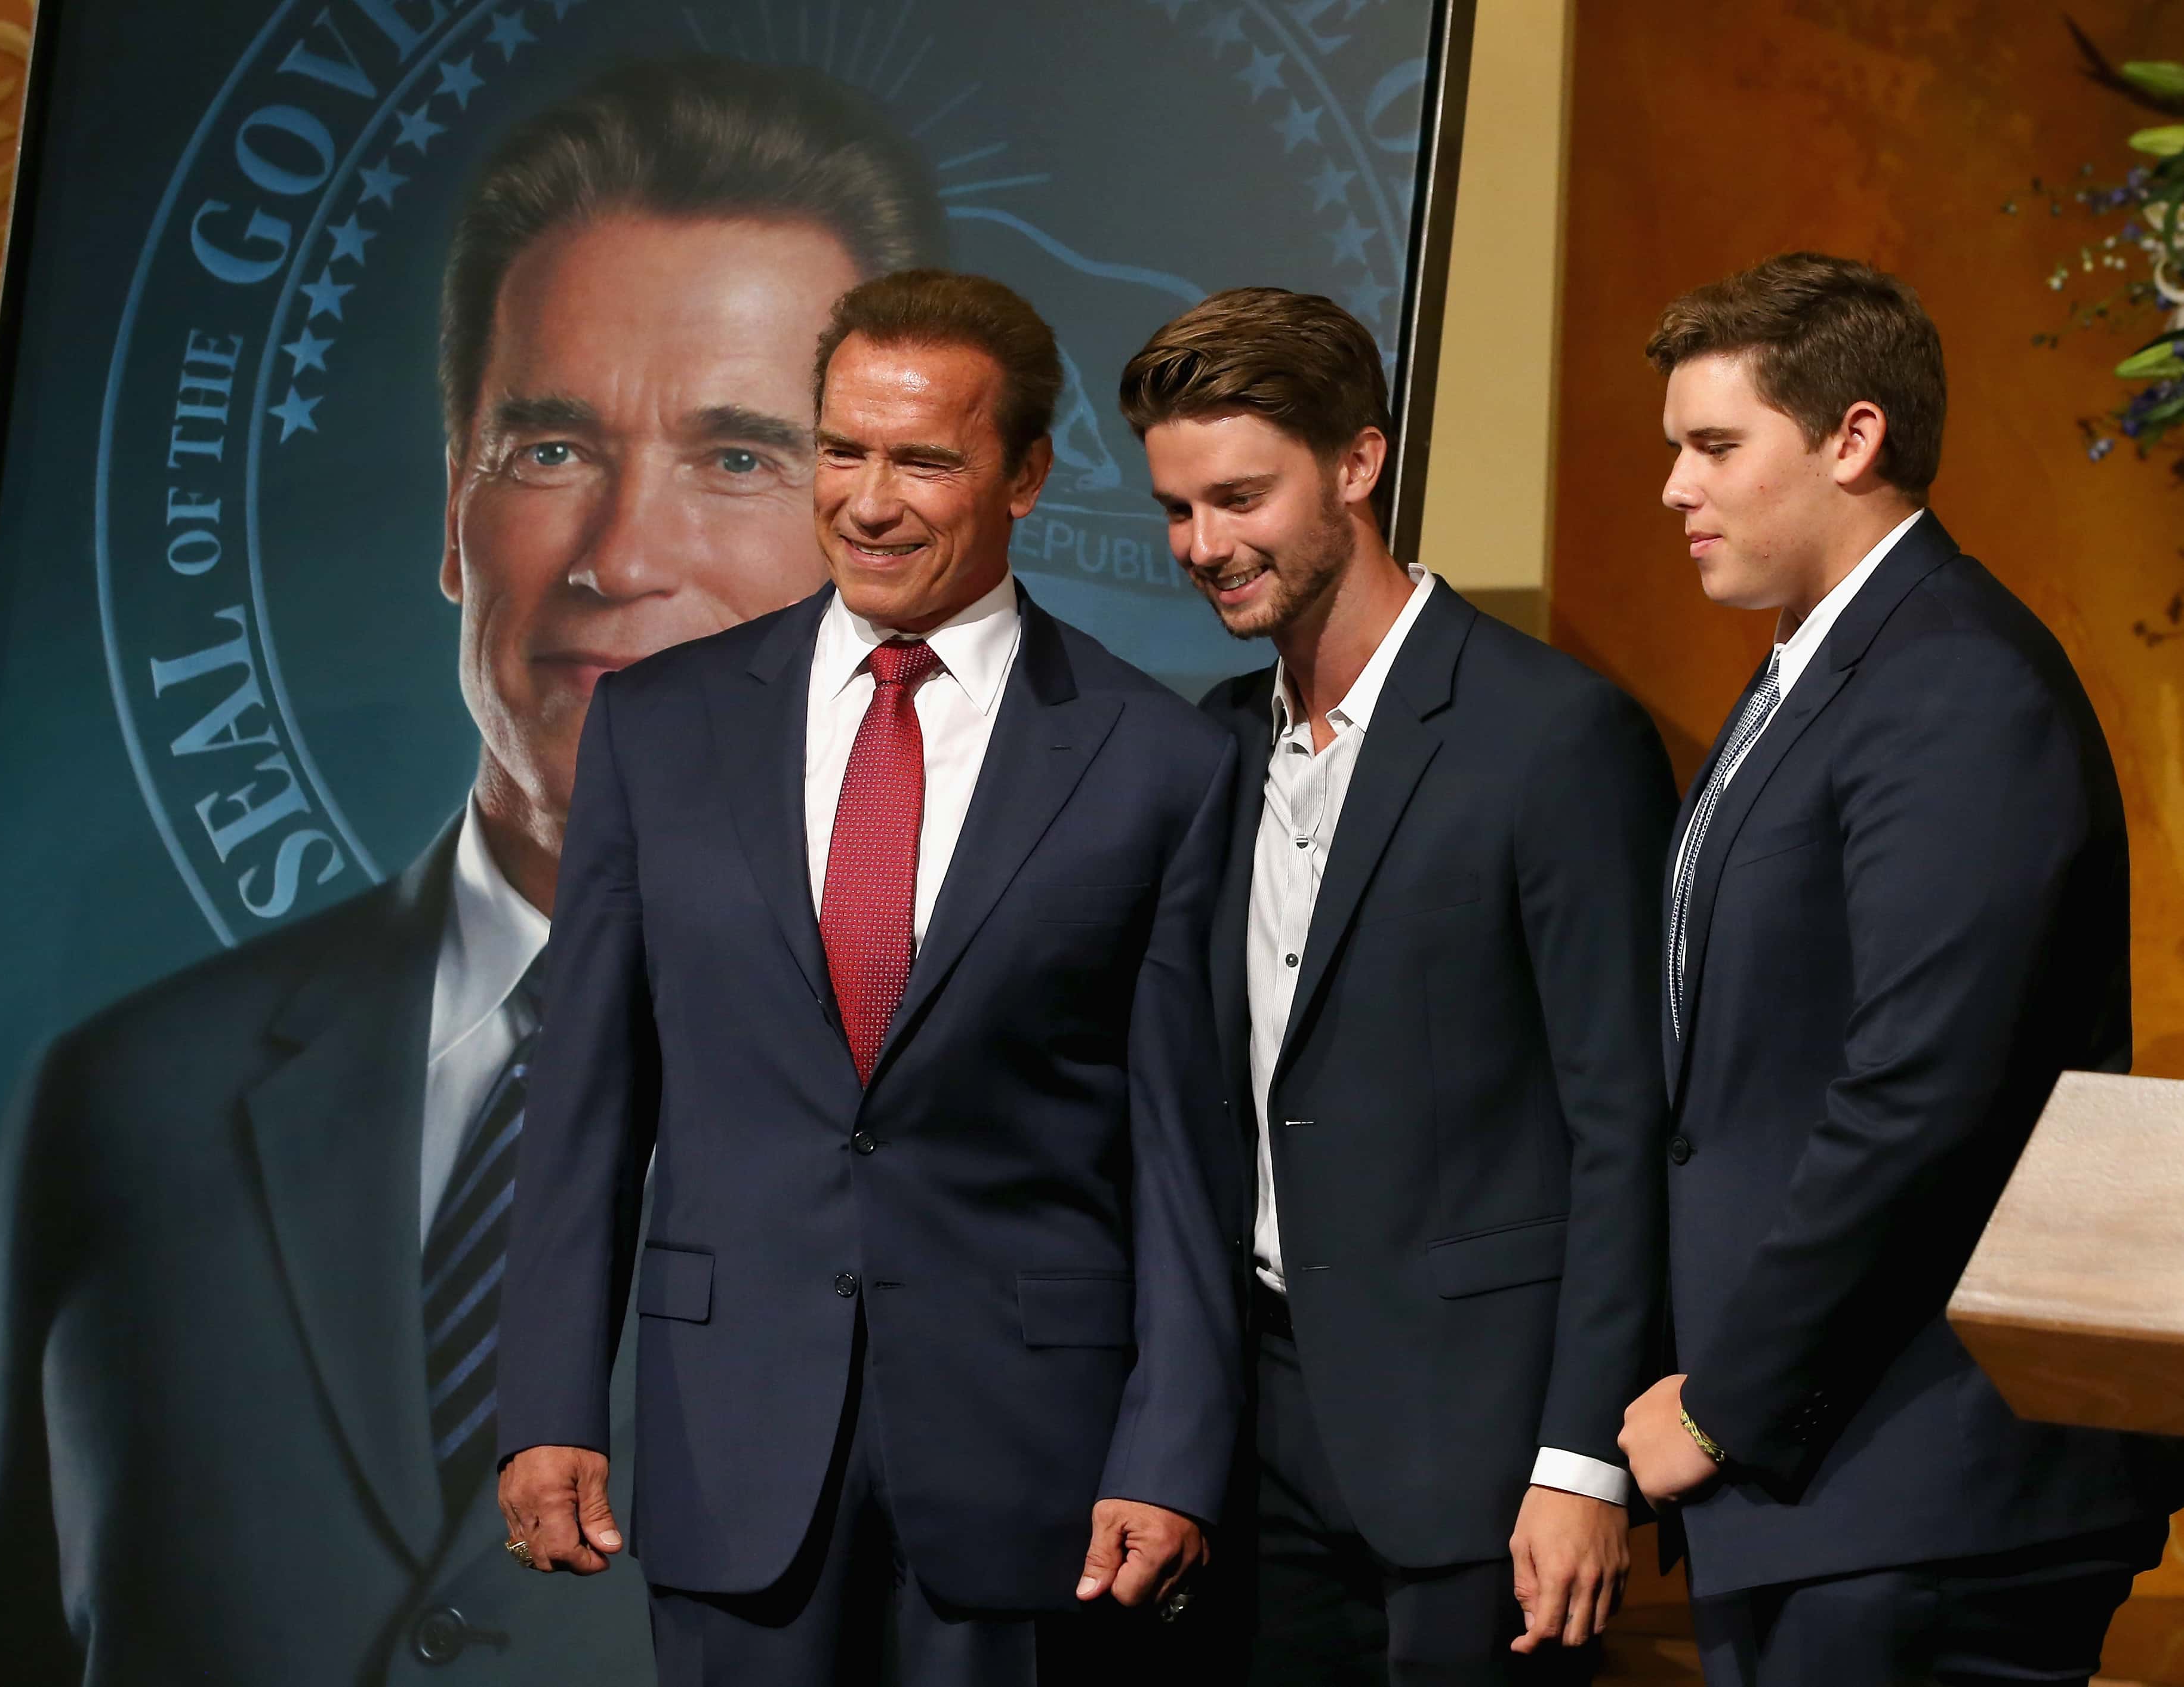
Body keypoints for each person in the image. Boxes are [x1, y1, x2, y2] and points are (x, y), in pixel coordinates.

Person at [0, 58, 940, 1685]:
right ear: (455, 506)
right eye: (552, 446)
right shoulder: (119, 1104)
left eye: (740, 458)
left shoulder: (1026, 1110)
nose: (623, 553)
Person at [492, 268, 1243, 1686]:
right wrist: (546, 1402)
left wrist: (1176, 1445)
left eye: (923, 460)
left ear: (1025, 475)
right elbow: (586, 1104)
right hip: (732, 1447)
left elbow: (1182, 1154)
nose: (868, 500)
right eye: (841, 449)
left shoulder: (1160, 765)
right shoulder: (661, 730)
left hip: (1037, 1471)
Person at [1616, 252, 2184, 1686]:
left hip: (1923, 1485)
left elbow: (1922, 1089)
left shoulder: (1951, 679)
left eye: (1716, 447)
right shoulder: (1827, 664)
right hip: (1833, 1493)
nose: (1676, 489)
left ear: (1854, 438)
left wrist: (1725, 1404)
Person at [1119, 287, 1676, 1685]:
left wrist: (1582, 1458)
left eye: (1239, 497)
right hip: (1256, 1448)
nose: (1205, 546)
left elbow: (1627, 1128)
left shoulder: (1553, 736)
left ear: (1359, 464)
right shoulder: (1215, 741)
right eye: (1179, 511)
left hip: (1484, 1458)